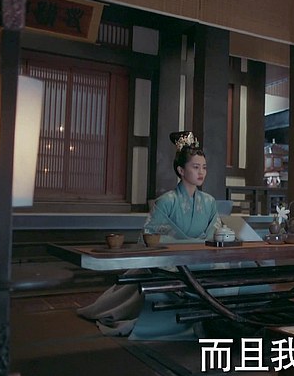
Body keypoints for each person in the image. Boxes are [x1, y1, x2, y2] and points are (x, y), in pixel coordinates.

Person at [77, 131, 222, 339]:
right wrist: (192, 244)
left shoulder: (209, 202)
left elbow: (217, 232)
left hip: (201, 260)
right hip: (173, 262)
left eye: (204, 167)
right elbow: (149, 237)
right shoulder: (166, 201)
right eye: (195, 167)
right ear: (181, 170)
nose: (201, 172)